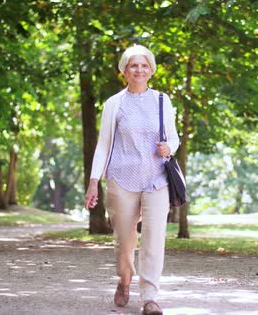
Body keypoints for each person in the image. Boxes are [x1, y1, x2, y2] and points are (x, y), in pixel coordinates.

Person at [84, 45, 179, 315]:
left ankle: (150, 297)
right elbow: (103, 146)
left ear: (151, 70)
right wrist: (94, 181)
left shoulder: (162, 100)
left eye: (144, 65)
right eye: (133, 65)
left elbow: (174, 137)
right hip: (122, 179)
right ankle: (125, 278)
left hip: (156, 179)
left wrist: (169, 148)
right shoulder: (114, 104)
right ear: (124, 70)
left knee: (154, 238)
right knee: (125, 240)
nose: (139, 70)